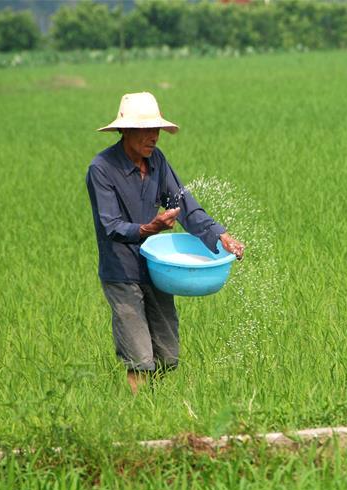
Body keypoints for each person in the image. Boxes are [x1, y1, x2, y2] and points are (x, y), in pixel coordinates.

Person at [86, 92, 245, 394]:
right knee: (140, 359)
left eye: (156, 130)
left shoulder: (156, 162)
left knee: (168, 356)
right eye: (147, 130)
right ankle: (137, 414)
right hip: (122, 273)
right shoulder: (102, 169)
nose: (154, 137)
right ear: (126, 131)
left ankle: (155, 405)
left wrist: (221, 235)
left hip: (156, 268)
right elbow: (112, 226)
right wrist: (150, 227)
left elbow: (185, 206)